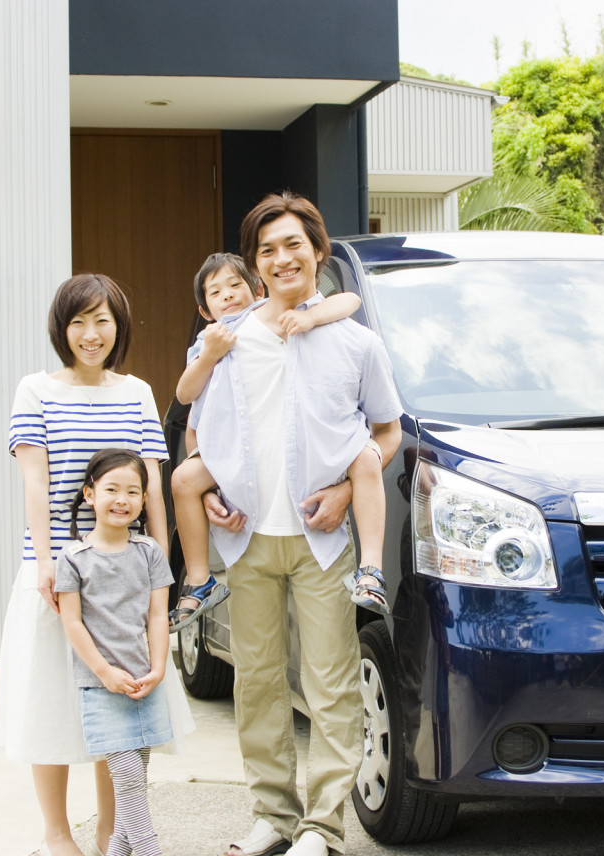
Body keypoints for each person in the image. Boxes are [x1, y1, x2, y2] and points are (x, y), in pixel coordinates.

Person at [190, 193, 403, 856]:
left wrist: (346, 489)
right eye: (267, 250)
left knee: (330, 682)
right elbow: (200, 424)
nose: (282, 259)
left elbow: (387, 432)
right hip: (248, 537)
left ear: (317, 252)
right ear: (256, 266)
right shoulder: (227, 338)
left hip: (321, 538)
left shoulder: (357, 343)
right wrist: (201, 488)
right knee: (255, 682)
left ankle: (322, 826)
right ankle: (271, 817)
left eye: (292, 245)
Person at [0, 273, 172, 856]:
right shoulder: (35, 390)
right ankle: (55, 833)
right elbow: (36, 481)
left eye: (102, 321)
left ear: (118, 326)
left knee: (116, 703)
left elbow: (153, 485)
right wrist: (45, 559)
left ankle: (108, 830)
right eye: (78, 321)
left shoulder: (138, 392)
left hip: (124, 569)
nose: (90, 334)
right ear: (61, 328)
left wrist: (163, 564)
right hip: (55, 570)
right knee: (50, 701)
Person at [169, 253, 387, 633]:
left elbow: (349, 301)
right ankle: (199, 579)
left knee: (365, 456)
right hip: (235, 469)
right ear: (205, 310)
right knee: (183, 480)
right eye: (216, 292)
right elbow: (187, 399)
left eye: (235, 285)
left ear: (257, 290)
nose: (228, 296)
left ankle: (372, 570)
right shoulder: (209, 341)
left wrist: (310, 317)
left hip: (302, 498)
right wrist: (210, 355)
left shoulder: (282, 322)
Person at [57, 448, 194, 856]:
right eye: (112, 489)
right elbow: (72, 623)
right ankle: (148, 848)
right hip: (101, 685)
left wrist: (157, 668)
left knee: (140, 771)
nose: (122, 499)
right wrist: (104, 672)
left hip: (144, 680)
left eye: (133, 492)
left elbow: (157, 616)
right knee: (128, 774)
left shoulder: (150, 551)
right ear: (89, 494)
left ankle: (118, 848)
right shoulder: (73, 558)